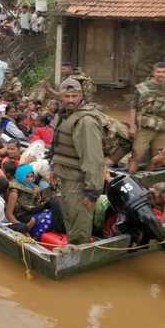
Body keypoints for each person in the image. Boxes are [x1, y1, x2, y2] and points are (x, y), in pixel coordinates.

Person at [51, 78, 105, 244]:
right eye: (67, 96)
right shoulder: (64, 116)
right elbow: (57, 146)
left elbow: (93, 160)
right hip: (65, 178)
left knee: (79, 224)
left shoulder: (85, 122)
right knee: (70, 219)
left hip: (79, 182)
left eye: (74, 96)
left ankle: (78, 254)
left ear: (81, 96)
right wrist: (54, 168)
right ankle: (73, 247)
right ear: (60, 97)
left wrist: (92, 191)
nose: (70, 100)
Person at [128, 62, 165, 173]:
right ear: (153, 73)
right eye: (158, 72)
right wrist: (132, 126)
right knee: (137, 155)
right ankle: (129, 179)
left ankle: (147, 181)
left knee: (157, 158)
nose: (161, 74)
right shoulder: (142, 87)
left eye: (163, 72)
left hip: (162, 127)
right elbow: (133, 107)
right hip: (146, 126)